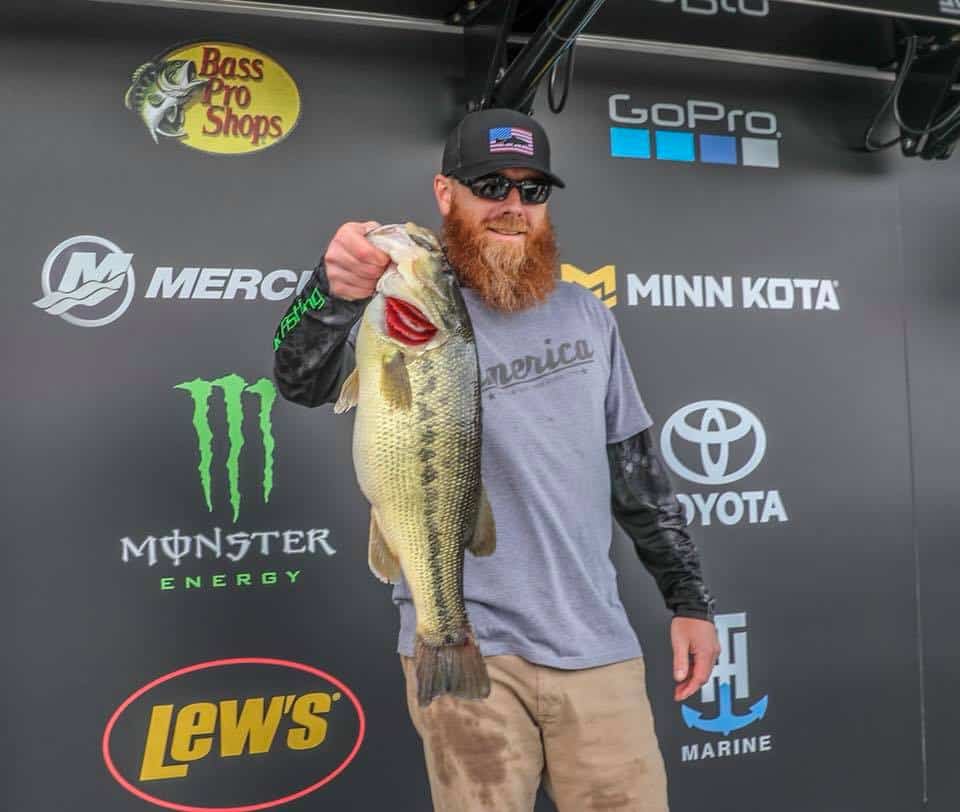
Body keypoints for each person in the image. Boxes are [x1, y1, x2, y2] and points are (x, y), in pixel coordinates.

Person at [273, 108, 720, 812]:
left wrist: (688, 601)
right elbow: (300, 379)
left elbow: (635, 471)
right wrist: (331, 291)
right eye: (490, 185)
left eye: (531, 190)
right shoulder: (394, 305)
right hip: (468, 642)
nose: (513, 205)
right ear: (445, 193)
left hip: (596, 642)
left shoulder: (587, 314)